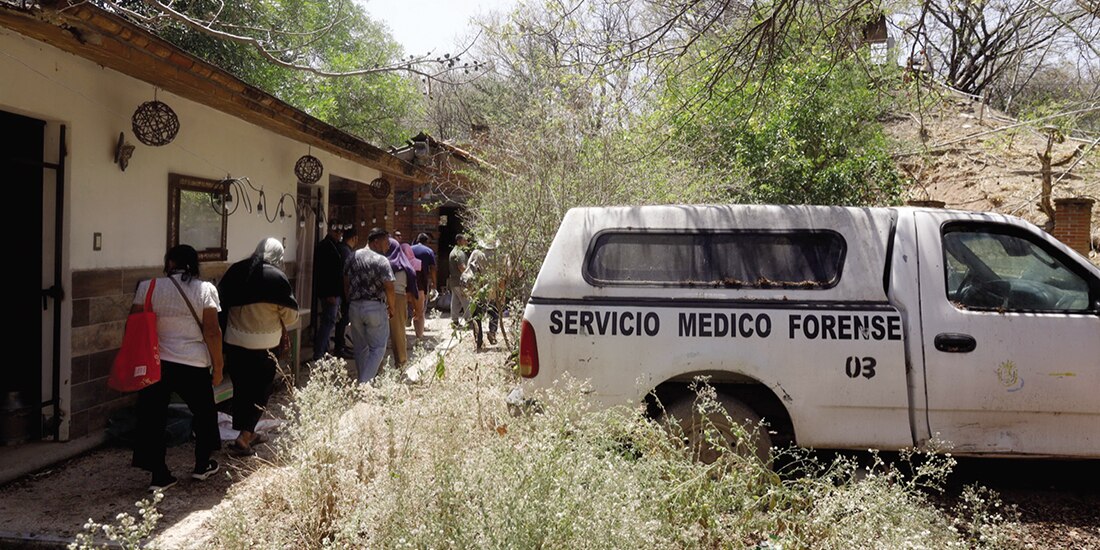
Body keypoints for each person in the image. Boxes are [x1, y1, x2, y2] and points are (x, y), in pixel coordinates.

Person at [130, 245, 222, 492]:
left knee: (153, 417)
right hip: (194, 363)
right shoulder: (206, 290)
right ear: (194, 264)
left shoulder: (147, 287)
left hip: (157, 363)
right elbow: (212, 331)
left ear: (169, 262)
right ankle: (202, 465)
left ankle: (159, 475)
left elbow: (134, 324)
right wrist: (219, 366)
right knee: (204, 414)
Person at [218, 238, 299, 457]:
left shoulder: (236, 271)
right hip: (265, 344)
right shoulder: (276, 277)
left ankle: (247, 432)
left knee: (242, 388)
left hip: (234, 342)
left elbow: (219, 304)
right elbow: (290, 316)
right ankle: (244, 437)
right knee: (261, 390)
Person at [345, 228, 395, 383]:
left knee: (360, 348)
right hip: (374, 306)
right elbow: (389, 286)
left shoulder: (352, 256)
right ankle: (364, 383)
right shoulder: (381, 260)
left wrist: (349, 300)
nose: (388, 246)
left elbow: (345, 280)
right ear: (376, 242)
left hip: (355, 306)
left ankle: (363, 381)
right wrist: (392, 307)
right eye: (386, 242)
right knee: (378, 348)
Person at [312, 221, 344, 360]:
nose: (339, 235)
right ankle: (319, 353)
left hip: (332, 291)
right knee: (328, 322)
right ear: (331, 231)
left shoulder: (332, 246)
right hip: (329, 292)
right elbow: (325, 273)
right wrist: (330, 293)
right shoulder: (325, 247)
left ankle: (324, 350)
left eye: (340, 232)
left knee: (329, 321)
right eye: (337, 232)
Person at [386, 238, 419, 369]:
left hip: (383, 298)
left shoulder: (384, 263)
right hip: (399, 299)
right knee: (398, 332)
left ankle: (378, 366)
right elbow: (412, 289)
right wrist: (416, 308)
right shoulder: (405, 266)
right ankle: (401, 362)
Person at [467, 238, 501, 350]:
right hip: (493, 289)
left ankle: (479, 338)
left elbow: (469, 268)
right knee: (494, 312)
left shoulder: (476, 253)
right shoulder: (499, 256)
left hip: (479, 289)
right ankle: (492, 332)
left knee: (477, 314)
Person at [333, 226, 358, 358]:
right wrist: (348, 293)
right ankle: (339, 347)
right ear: (354, 238)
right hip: (343, 291)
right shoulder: (345, 251)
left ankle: (341, 345)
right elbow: (346, 275)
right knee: (342, 320)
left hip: (341, 291)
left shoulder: (343, 249)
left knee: (342, 320)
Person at [410, 233, 438, 339]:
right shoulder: (428, 251)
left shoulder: (410, 249)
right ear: (427, 242)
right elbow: (433, 269)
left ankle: (414, 328)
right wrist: (434, 284)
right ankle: (419, 334)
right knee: (420, 309)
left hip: (408, 281)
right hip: (422, 282)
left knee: (411, 307)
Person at [448, 234, 470, 327]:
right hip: (460, 281)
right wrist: (469, 275)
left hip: (454, 281)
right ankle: (470, 320)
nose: (466, 242)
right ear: (459, 241)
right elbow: (462, 267)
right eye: (465, 240)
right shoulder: (459, 253)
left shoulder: (454, 251)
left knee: (456, 301)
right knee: (466, 300)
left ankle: (455, 321)